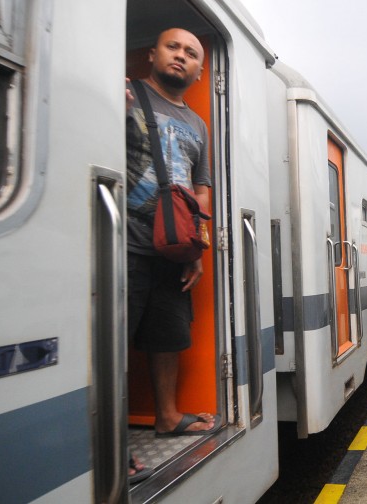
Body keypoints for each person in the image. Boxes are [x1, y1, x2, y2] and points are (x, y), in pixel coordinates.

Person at [125, 28, 220, 437]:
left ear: (200, 71)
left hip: (171, 247)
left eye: (191, 53)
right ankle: (107, 445)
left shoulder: (197, 124)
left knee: (167, 337)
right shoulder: (126, 95)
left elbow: (202, 190)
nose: (181, 56)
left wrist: (194, 249)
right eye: (173, 47)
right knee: (109, 343)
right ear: (153, 53)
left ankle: (166, 416)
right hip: (123, 241)